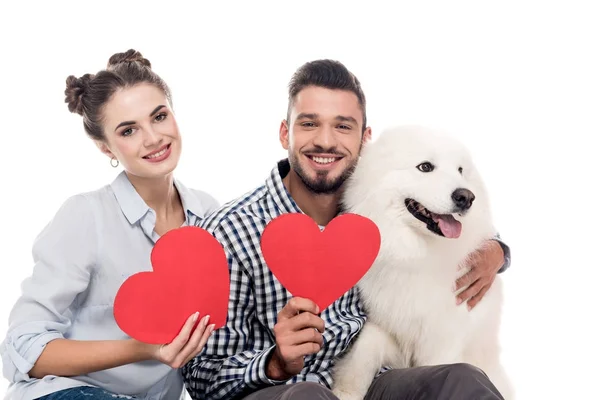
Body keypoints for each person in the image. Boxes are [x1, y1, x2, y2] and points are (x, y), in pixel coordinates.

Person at [182, 59, 511, 400]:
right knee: (306, 396)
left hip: (369, 384)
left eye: (343, 127)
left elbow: (447, 218)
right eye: (309, 124)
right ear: (285, 133)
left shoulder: (373, 208)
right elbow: (201, 376)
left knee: (461, 381)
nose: (326, 141)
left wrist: (496, 250)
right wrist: (274, 363)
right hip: (280, 392)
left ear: (365, 140)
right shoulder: (228, 231)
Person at [0, 49, 219, 400]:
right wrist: (144, 348)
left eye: (159, 117)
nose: (152, 138)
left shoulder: (208, 216)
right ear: (106, 148)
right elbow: (23, 347)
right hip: (67, 393)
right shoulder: (86, 217)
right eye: (129, 130)